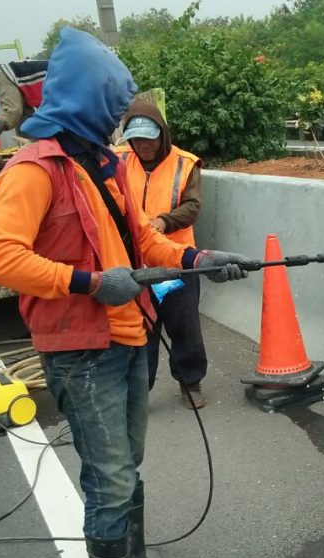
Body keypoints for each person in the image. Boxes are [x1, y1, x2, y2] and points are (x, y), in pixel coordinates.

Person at [0, 28, 250, 558]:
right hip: (81, 350)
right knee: (108, 481)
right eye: (114, 100)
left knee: (128, 465)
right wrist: (89, 282)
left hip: (128, 338)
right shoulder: (34, 169)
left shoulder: (104, 164)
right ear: (88, 95)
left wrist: (199, 258)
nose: (121, 115)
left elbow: (142, 244)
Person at [116, 100, 209, 409]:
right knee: (142, 328)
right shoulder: (117, 161)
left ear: (163, 135)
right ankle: (140, 390)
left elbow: (192, 206)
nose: (143, 145)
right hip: (134, 263)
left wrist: (163, 222)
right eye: (136, 139)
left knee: (183, 324)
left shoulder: (186, 163)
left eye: (149, 138)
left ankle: (190, 383)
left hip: (176, 261)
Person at [0, 60, 49, 155]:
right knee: (13, 112)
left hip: (23, 84)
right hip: (10, 75)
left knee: (28, 121)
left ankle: (29, 151)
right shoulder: (59, 74)